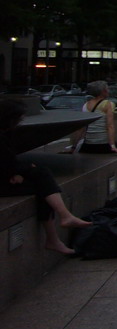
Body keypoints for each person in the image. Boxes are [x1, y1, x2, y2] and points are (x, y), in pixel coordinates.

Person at [0, 99, 91, 255]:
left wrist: (18, 172)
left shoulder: (5, 134)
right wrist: (22, 170)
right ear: (9, 118)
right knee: (42, 180)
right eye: (19, 119)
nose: (21, 122)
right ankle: (58, 228)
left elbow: (8, 162)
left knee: (43, 183)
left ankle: (57, 232)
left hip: (6, 177)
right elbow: (5, 163)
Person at [69, 80, 117, 154]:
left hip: (88, 144)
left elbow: (81, 128)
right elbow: (110, 126)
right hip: (103, 143)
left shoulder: (85, 105)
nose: (108, 91)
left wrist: (73, 147)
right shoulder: (108, 104)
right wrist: (112, 146)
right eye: (107, 89)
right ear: (103, 91)